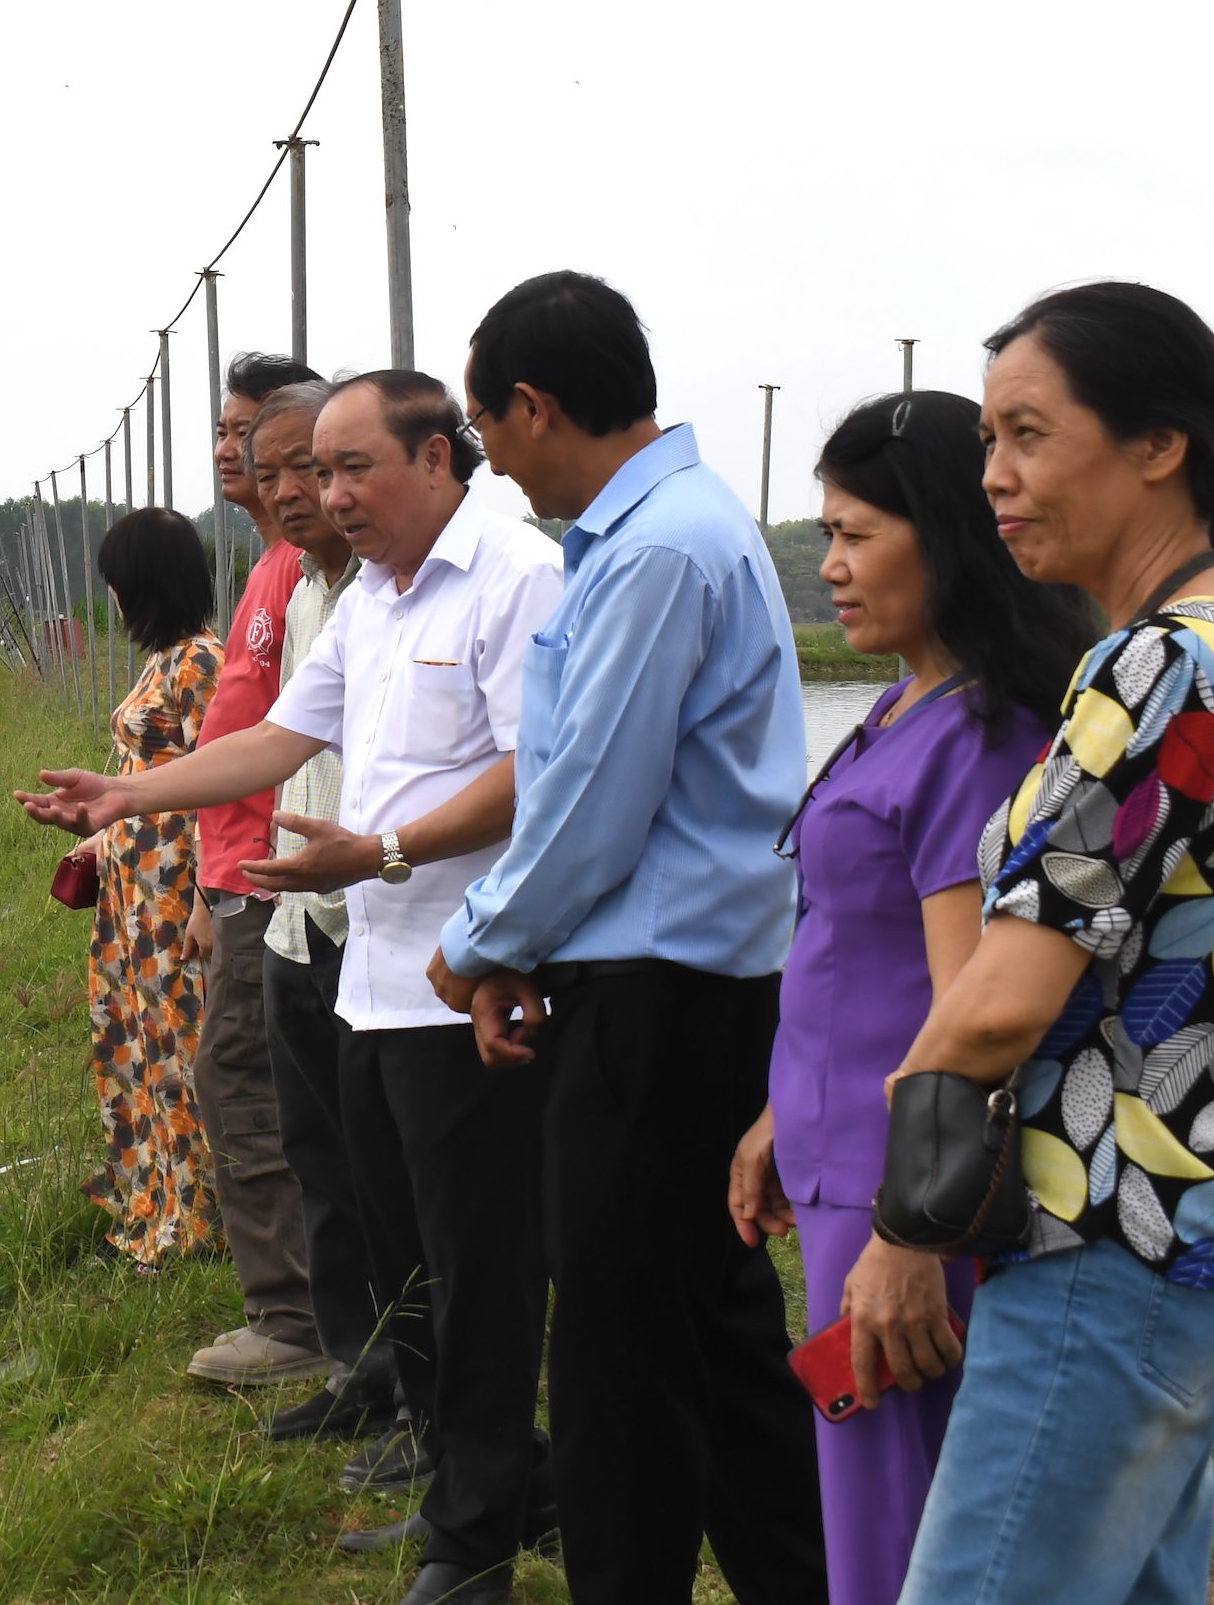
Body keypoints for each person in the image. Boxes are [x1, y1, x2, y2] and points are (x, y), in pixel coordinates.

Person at [888, 282, 1214, 1605]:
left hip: (1101, 1251)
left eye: (1028, 435)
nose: (997, 478)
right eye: (986, 446)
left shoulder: (1162, 670)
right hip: (1180, 1252)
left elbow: (1003, 1002)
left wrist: (902, 1218)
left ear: (1155, 444)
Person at [22, 370, 565, 1605]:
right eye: (312, 474)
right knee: (403, 1253)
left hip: (461, 976)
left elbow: (541, 772)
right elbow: (276, 739)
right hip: (365, 974)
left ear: (438, 458)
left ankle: (478, 1538)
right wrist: (127, 798)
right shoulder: (371, 596)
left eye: (349, 469)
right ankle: (462, 1484)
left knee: (473, 1263)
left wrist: (378, 853)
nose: (325, 497)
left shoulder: (516, 575)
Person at [433, 271, 826, 1605]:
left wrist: (482, 940)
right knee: (711, 1332)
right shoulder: (670, 530)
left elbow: (592, 800)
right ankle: (805, 1574)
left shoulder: (656, 549)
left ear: (534, 408)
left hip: (661, 996)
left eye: (486, 428)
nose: (491, 459)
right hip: (688, 983)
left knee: (613, 1353)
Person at [723, 391, 1097, 1605]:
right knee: (868, 1489)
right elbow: (851, 941)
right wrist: (782, 1110)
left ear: (948, 537)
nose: (829, 567)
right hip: (840, 1160)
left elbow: (974, 1003)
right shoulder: (903, 705)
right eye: (824, 534)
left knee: (896, 1516)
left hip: (903, 1188)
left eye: (857, 534)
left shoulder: (978, 739)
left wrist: (907, 1234)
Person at [230, 377, 396, 1445]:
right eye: (277, 468)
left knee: (389, 1184)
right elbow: (283, 748)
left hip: (370, 917)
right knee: (323, 1169)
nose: (297, 492)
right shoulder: (304, 594)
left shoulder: (392, 593)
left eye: (320, 468)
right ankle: (357, 1373)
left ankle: (416, 1404)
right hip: (297, 919)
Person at [186, 350, 333, 1387]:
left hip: (279, 868)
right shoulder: (277, 570)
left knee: (242, 1077)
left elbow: (282, 738)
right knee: (272, 1082)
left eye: (268, 442)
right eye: (235, 437)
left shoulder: (310, 571)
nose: (241, 456)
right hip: (252, 869)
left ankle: (294, 1317)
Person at [68, 505, 227, 1267]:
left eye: (119, 584)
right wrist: (96, 826)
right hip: (133, 886)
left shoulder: (200, 663)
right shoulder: (162, 660)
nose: (115, 600)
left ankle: (195, 1221)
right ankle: (153, 1201)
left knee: (177, 1052)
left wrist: (204, 902)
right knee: (137, 1041)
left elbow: (220, 786)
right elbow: (145, 773)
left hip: (171, 892)